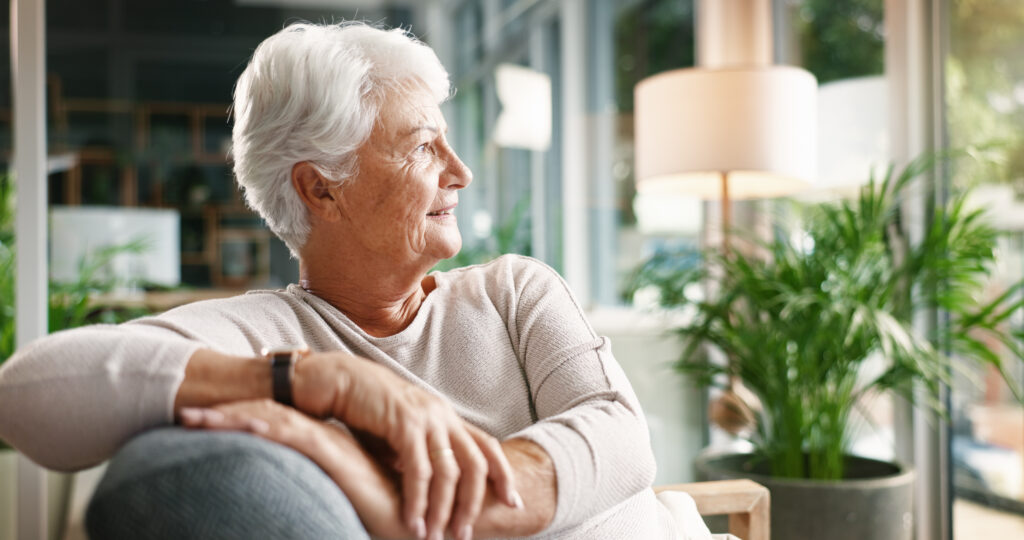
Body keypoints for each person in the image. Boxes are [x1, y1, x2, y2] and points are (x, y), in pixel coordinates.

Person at [0, 22, 679, 539]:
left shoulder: (514, 293)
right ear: (321, 189)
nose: (461, 172)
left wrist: (387, 500)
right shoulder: (263, 335)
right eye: (422, 146)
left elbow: (620, 441)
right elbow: (26, 394)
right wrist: (325, 383)